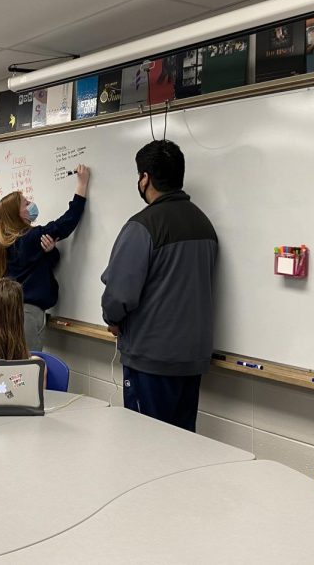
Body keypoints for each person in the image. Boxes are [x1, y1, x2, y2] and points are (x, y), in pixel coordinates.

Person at [101, 140, 218, 432]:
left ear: (145, 178)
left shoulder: (143, 226)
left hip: (151, 361)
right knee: (181, 442)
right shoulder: (204, 224)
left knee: (146, 446)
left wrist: (113, 320)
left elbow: (118, 294)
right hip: (192, 359)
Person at [0, 164, 90, 351]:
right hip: (27, 313)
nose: (31, 204)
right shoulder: (30, 238)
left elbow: (39, 264)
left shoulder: (2, 242)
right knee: (28, 369)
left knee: (13, 365)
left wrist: (50, 251)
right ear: (17, 215)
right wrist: (82, 185)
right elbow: (67, 222)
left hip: (8, 309)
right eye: (26, 204)